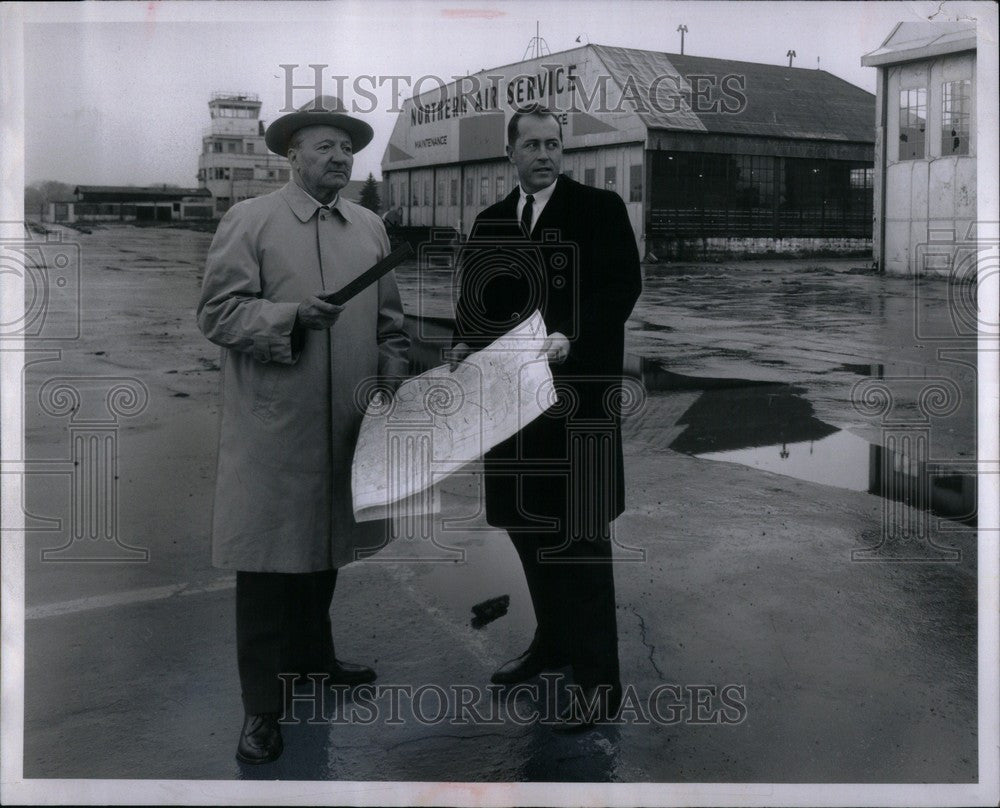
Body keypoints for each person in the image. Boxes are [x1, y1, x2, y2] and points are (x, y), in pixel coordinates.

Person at [197, 95, 409, 764]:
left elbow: (391, 326)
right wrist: (287, 317)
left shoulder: (370, 228)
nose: (339, 156)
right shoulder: (250, 221)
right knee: (264, 568)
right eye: (323, 146)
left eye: (347, 147)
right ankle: (261, 710)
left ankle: (316, 662)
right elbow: (217, 314)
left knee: (324, 551)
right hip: (274, 431)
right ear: (290, 154)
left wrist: (391, 373)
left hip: (347, 425)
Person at [450, 105, 642, 729]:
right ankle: (552, 645)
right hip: (511, 413)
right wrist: (462, 343)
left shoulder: (598, 211)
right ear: (511, 154)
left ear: (565, 151)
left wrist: (572, 336)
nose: (544, 154)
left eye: (553, 144)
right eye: (530, 144)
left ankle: (599, 679)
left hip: (577, 406)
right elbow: (474, 305)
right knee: (530, 531)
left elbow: (620, 290)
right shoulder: (492, 222)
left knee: (581, 541)